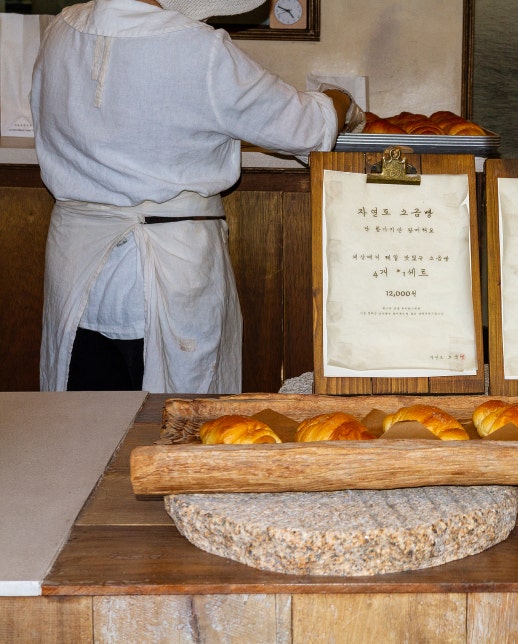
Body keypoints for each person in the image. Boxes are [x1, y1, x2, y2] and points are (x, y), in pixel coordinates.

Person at [31, 0, 360, 393]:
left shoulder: (58, 31)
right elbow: (303, 126)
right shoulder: (199, 49)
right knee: (172, 426)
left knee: (87, 426)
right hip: (168, 271)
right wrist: (343, 101)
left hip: (76, 271)